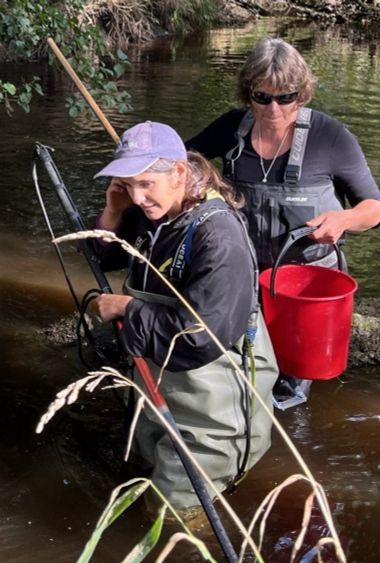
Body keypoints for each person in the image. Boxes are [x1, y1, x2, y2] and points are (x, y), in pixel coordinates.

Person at [186, 37, 380, 408]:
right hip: (241, 275)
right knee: (231, 374)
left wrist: (344, 218)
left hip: (303, 286)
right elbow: (185, 162)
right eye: (262, 98)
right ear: (249, 93)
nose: (274, 109)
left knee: (288, 392)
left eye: (286, 97)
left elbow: (374, 209)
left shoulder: (331, 137)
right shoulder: (232, 129)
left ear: (302, 93)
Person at [94, 121, 279, 511]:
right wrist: (113, 210)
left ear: (179, 172)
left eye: (146, 183)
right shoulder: (154, 210)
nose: (138, 197)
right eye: (128, 185)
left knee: (172, 516)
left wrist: (128, 308)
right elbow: (105, 255)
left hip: (212, 414)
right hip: (163, 391)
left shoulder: (219, 235)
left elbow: (201, 337)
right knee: (145, 473)